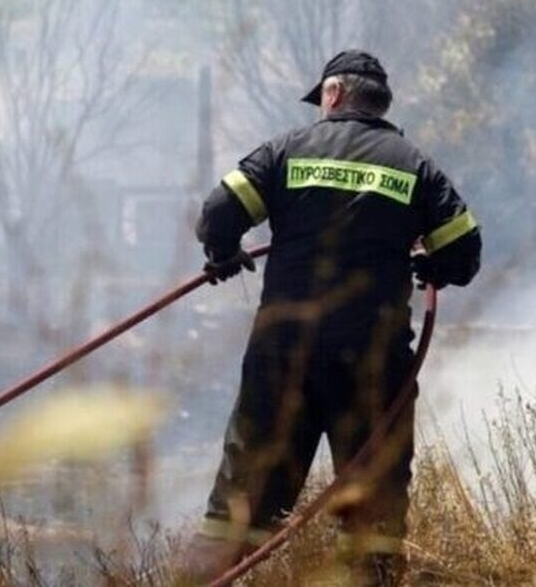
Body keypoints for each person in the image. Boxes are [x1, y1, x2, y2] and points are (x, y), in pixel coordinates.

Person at [179, 50, 482, 585]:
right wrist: (427, 262)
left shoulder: (286, 150)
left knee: (239, 515)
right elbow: (465, 254)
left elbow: (216, 215)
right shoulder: (415, 166)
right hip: (372, 367)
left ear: (334, 93)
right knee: (372, 528)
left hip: (282, 360)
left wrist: (225, 254)